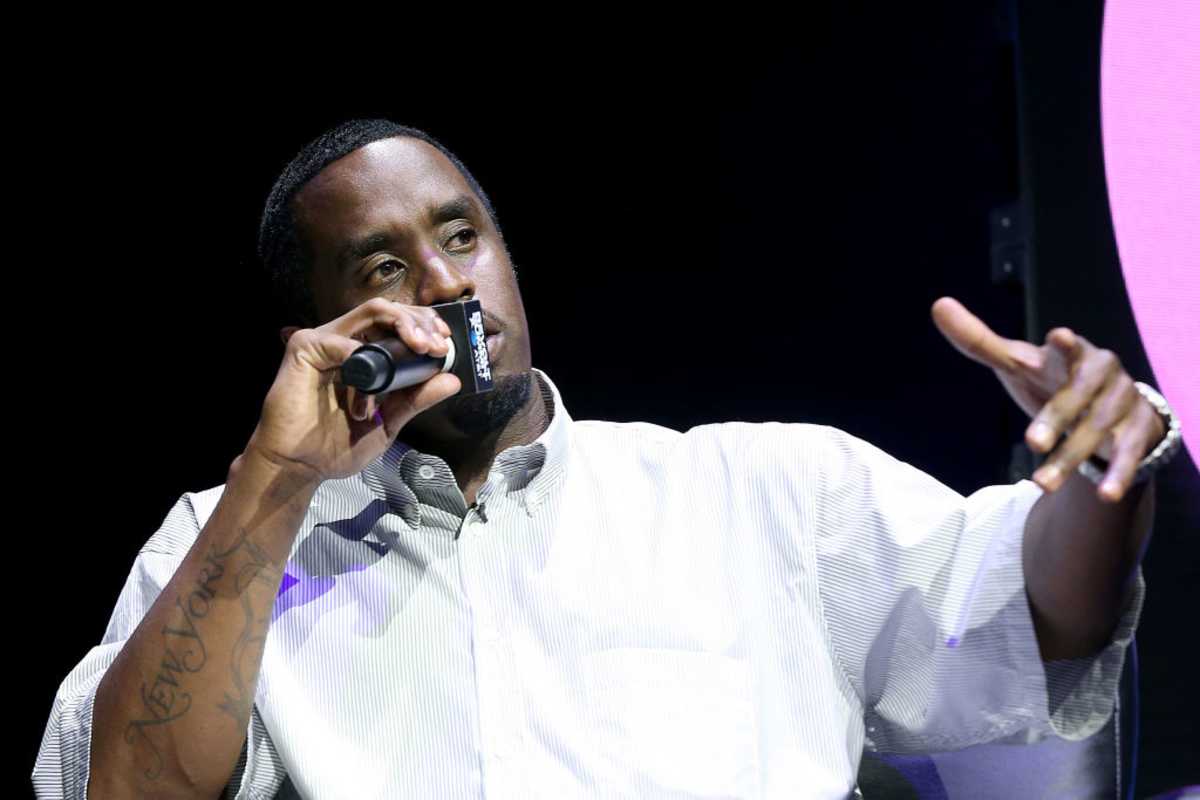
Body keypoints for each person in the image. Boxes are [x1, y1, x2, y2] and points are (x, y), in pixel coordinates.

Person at [33, 118, 1180, 799]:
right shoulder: (236, 541)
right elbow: (129, 788)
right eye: (381, 268)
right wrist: (279, 478)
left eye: (461, 236)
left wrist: (1098, 478)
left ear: (511, 266)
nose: (441, 282)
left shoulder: (757, 493)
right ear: (323, 337)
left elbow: (1042, 621)